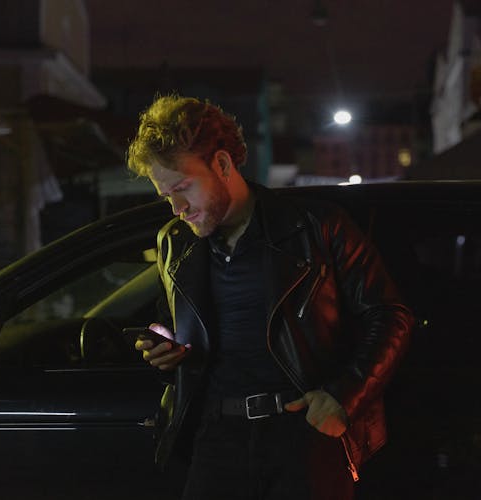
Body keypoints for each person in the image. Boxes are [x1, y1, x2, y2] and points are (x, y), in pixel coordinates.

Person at [126, 95, 413, 500]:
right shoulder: (175, 244)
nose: (176, 208)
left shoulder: (316, 227)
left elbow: (388, 315)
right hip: (216, 438)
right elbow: (174, 323)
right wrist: (164, 350)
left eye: (183, 188)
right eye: (165, 195)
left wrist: (343, 396)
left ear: (223, 165)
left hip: (302, 433)